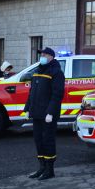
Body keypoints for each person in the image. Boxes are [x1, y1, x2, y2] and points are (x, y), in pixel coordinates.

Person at [24, 47, 64, 180]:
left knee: (48, 141)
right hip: (36, 113)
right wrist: (27, 109)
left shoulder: (56, 72)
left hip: (48, 115)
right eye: (41, 54)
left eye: (45, 54)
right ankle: (41, 167)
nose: (42, 56)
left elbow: (57, 95)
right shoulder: (37, 71)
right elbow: (32, 92)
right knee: (38, 140)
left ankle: (49, 170)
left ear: (51, 56)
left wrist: (51, 113)